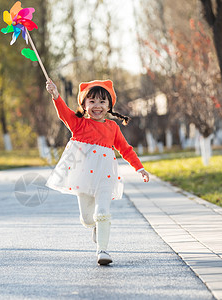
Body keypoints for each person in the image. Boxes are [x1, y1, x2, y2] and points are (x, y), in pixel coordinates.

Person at [45, 78, 150, 265]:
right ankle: (93, 225)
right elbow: (63, 113)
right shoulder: (78, 124)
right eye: (92, 101)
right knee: (87, 218)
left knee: (102, 211)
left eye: (102, 101)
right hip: (82, 177)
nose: (97, 106)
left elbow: (126, 149)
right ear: (84, 105)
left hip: (105, 175)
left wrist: (139, 168)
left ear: (109, 105)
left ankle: (102, 250)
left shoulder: (112, 127)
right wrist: (55, 95)